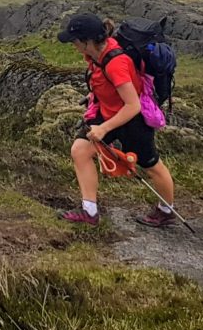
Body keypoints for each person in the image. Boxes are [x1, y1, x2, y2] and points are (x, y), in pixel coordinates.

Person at [56, 11, 179, 227]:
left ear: (87, 41)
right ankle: (89, 212)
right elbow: (106, 82)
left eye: (75, 41)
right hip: (108, 113)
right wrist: (94, 95)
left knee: (151, 165)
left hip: (132, 121)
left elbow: (133, 105)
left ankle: (166, 210)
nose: (73, 45)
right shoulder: (96, 55)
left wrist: (103, 129)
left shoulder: (116, 63)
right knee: (80, 151)